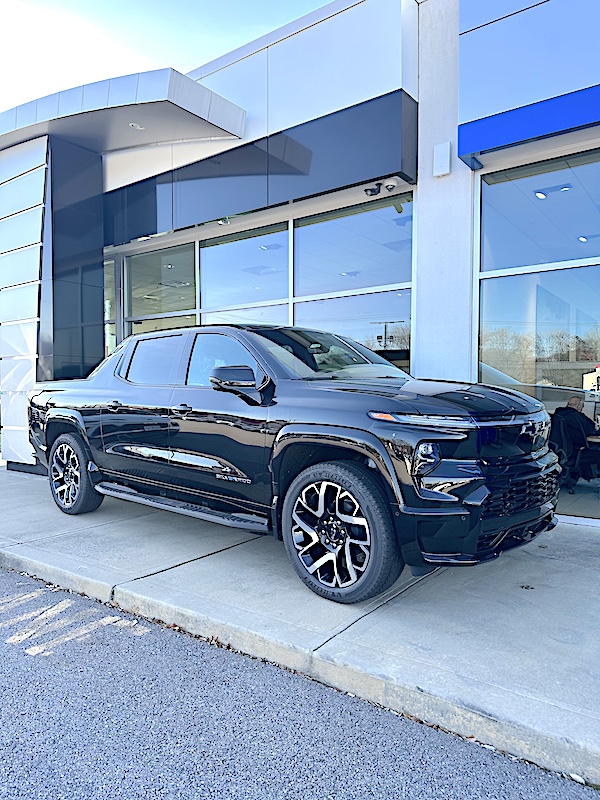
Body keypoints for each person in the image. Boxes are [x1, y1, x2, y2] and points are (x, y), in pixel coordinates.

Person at [553, 396, 600, 479]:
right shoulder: (577, 417)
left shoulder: (557, 414)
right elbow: (591, 430)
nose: (581, 409)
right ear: (578, 405)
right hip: (575, 452)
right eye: (582, 406)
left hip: (559, 452)